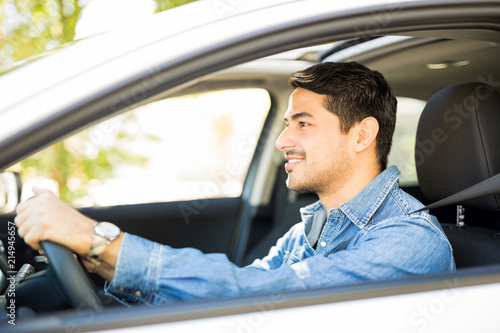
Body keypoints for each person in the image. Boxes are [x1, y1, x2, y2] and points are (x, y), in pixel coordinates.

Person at [15, 62, 456, 305]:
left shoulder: (409, 241)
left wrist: (99, 241)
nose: (283, 140)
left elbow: (265, 296)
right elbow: (229, 294)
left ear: (362, 134)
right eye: (286, 124)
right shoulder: (313, 228)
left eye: (303, 124)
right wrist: (100, 267)